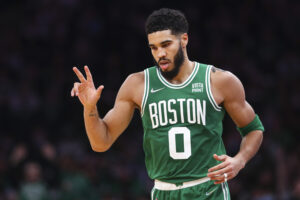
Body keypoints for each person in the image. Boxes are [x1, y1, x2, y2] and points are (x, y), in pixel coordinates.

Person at [71, 8, 264, 200]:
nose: (160, 53)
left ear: (184, 40)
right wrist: (90, 109)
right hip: (163, 191)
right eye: (153, 47)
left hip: (208, 189)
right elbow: (101, 142)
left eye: (166, 44)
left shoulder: (219, 80)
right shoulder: (137, 84)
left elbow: (254, 129)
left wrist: (240, 160)